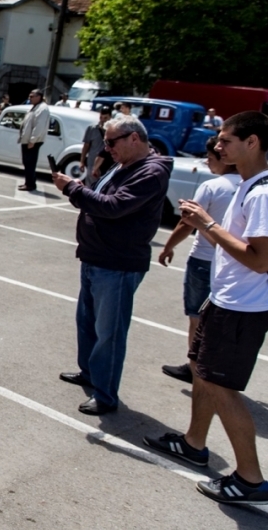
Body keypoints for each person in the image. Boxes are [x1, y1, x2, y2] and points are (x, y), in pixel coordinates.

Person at [144, 111, 268, 505]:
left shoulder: (262, 193)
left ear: (252, 142)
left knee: (222, 388)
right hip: (227, 300)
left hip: (242, 308)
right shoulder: (250, 185)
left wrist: (206, 224)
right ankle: (194, 443)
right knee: (201, 370)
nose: (218, 145)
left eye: (227, 139)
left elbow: (261, 259)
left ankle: (250, 479)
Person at [51, 114, 172, 415]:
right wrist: (81, 188)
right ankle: (91, 374)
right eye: (104, 142)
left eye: (111, 142)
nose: (105, 149)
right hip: (97, 256)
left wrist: (72, 189)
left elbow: (114, 207)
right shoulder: (125, 164)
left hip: (118, 263)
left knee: (110, 333)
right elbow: (103, 198)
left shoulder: (150, 172)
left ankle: (105, 395)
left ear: (134, 138)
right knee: (87, 322)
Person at [157, 136, 241, 383]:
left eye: (212, 157)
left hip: (204, 260)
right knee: (223, 319)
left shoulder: (213, 186)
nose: (208, 162)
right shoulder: (252, 187)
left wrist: (167, 247)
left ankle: (195, 367)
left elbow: (186, 223)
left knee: (197, 316)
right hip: (234, 263)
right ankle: (218, 366)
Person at [18, 89, 50, 192]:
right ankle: (29, 182)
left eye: (32, 96)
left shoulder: (42, 108)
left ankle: (30, 184)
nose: (29, 98)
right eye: (29, 96)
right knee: (27, 162)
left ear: (39, 97)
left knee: (30, 162)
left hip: (33, 141)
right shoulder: (35, 107)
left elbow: (39, 126)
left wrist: (33, 140)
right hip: (27, 139)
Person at [79, 106, 113, 188]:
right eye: (101, 117)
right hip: (93, 161)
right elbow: (86, 146)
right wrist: (82, 161)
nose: (103, 120)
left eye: (106, 118)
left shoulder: (113, 130)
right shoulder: (92, 128)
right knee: (90, 186)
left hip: (108, 163)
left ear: (110, 117)